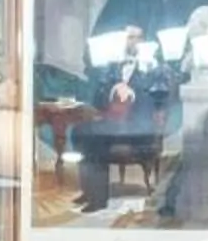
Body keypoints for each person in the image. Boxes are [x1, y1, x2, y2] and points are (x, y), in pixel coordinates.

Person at [73, 23, 185, 212]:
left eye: (136, 37)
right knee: (80, 132)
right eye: (128, 37)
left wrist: (134, 92)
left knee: (95, 138)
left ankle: (98, 199)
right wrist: (113, 88)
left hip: (140, 127)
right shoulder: (113, 67)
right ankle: (90, 189)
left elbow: (163, 98)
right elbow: (99, 101)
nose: (131, 41)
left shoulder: (154, 68)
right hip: (115, 124)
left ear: (143, 41)